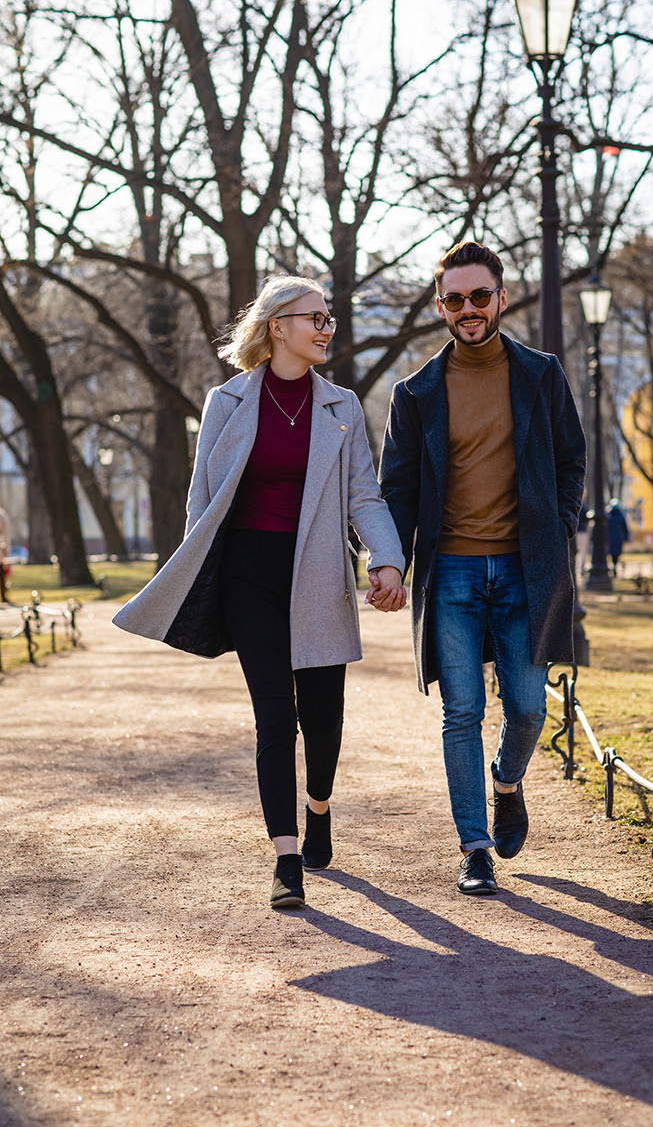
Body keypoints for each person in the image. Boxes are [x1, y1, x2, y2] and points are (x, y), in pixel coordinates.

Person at [113, 276, 406, 909]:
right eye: (314, 318)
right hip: (247, 576)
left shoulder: (342, 406)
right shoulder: (227, 402)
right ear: (278, 326)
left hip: (320, 572)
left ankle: (319, 807)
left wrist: (387, 560)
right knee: (275, 716)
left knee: (322, 720)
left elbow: (363, 495)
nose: (326, 329)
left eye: (328, 319)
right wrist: (196, 576)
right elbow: (201, 498)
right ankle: (286, 859)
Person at [377, 240, 585, 896]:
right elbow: (396, 491)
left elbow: (571, 458)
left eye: (480, 296)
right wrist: (389, 562)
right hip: (452, 576)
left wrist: (561, 525)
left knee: (526, 708)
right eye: (455, 299)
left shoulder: (541, 375)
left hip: (528, 570)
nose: (468, 308)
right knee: (461, 712)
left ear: (501, 297)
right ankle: (474, 848)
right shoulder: (415, 393)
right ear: (441, 306)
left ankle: (507, 783)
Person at [606, 499, 629, 576]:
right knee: (617, 553)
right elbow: (625, 528)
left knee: (610, 553)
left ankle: (612, 567)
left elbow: (606, 527)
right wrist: (626, 538)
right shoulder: (621, 516)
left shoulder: (608, 516)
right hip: (619, 537)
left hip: (610, 537)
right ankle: (615, 566)